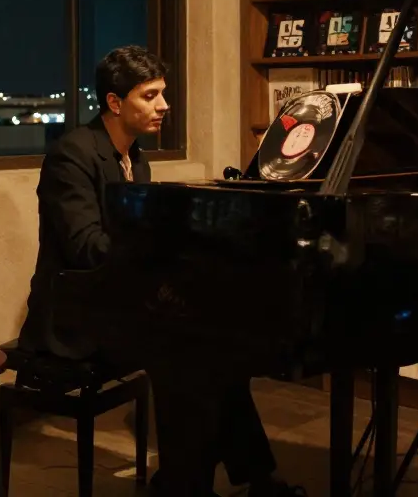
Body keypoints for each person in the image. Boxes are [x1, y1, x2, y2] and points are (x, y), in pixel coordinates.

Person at [17, 46, 300, 497]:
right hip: (74, 310)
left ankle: (221, 481)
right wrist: (167, 247)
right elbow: (87, 248)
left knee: (212, 342)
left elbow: (136, 244)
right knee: (188, 349)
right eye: (150, 96)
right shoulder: (72, 155)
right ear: (114, 103)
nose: (164, 106)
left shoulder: (136, 157)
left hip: (120, 297)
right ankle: (199, 484)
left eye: (162, 94)